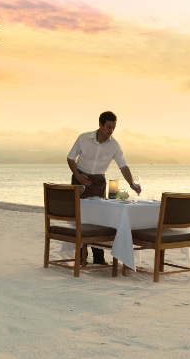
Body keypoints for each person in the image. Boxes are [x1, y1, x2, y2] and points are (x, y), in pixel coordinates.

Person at [67, 111, 141, 264]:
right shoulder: (83, 138)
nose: (111, 131)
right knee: (80, 219)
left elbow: (123, 166)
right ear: (100, 125)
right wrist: (78, 176)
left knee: (98, 219)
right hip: (79, 179)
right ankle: (81, 256)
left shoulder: (114, 145)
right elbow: (70, 158)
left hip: (99, 183)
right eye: (109, 127)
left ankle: (98, 258)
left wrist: (132, 183)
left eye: (114, 128)